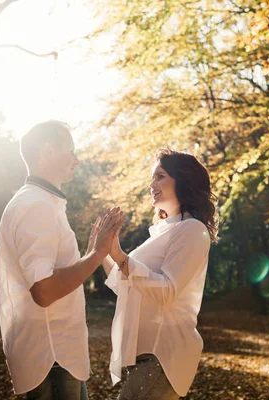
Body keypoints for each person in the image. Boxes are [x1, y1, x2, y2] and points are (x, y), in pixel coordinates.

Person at [0, 120, 121, 400]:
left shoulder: (41, 201)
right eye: (71, 151)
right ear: (48, 152)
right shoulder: (36, 205)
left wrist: (91, 251)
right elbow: (44, 290)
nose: (77, 160)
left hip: (58, 356)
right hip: (50, 358)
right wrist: (97, 254)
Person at [101, 149, 219, 399]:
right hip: (145, 355)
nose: (151, 184)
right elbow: (123, 283)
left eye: (160, 176)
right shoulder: (162, 232)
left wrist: (119, 255)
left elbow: (167, 291)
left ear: (183, 180)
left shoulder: (192, 230)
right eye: (152, 178)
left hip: (164, 355)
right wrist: (102, 250)